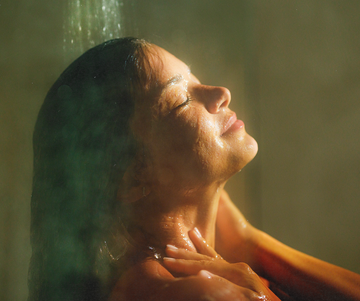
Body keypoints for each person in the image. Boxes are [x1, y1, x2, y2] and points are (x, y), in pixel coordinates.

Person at [28, 37, 360, 301]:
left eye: (195, 79)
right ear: (135, 178)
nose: (221, 93)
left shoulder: (201, 276)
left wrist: (247, 241)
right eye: (181, 100)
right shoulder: (199, 293)